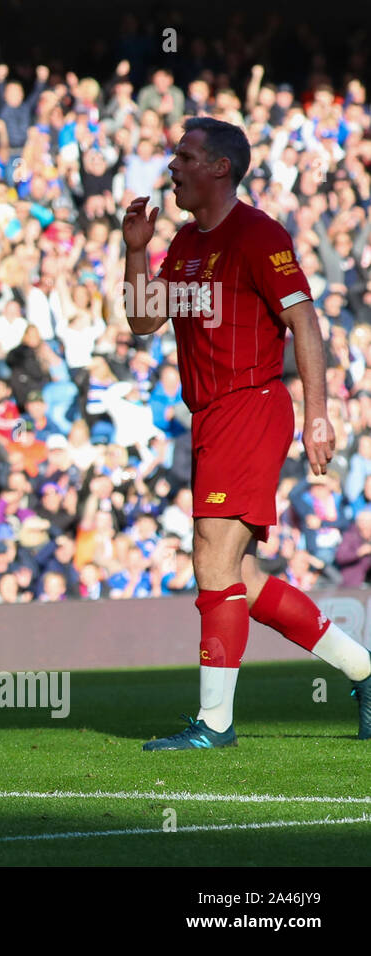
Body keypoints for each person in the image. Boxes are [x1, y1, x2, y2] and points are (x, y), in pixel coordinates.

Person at [122, 117, 371, 750]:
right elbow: (145, 320)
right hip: (209, 416)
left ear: (220, 169)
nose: (172, 167)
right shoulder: (182, 244)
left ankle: (213, 724)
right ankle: (363, 669)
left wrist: (319, 412)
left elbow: (305, 323)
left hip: (249, 405)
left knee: (210, 556)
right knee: (241, 576)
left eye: (185, 157)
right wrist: (134, 252)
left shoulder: (259, 236)